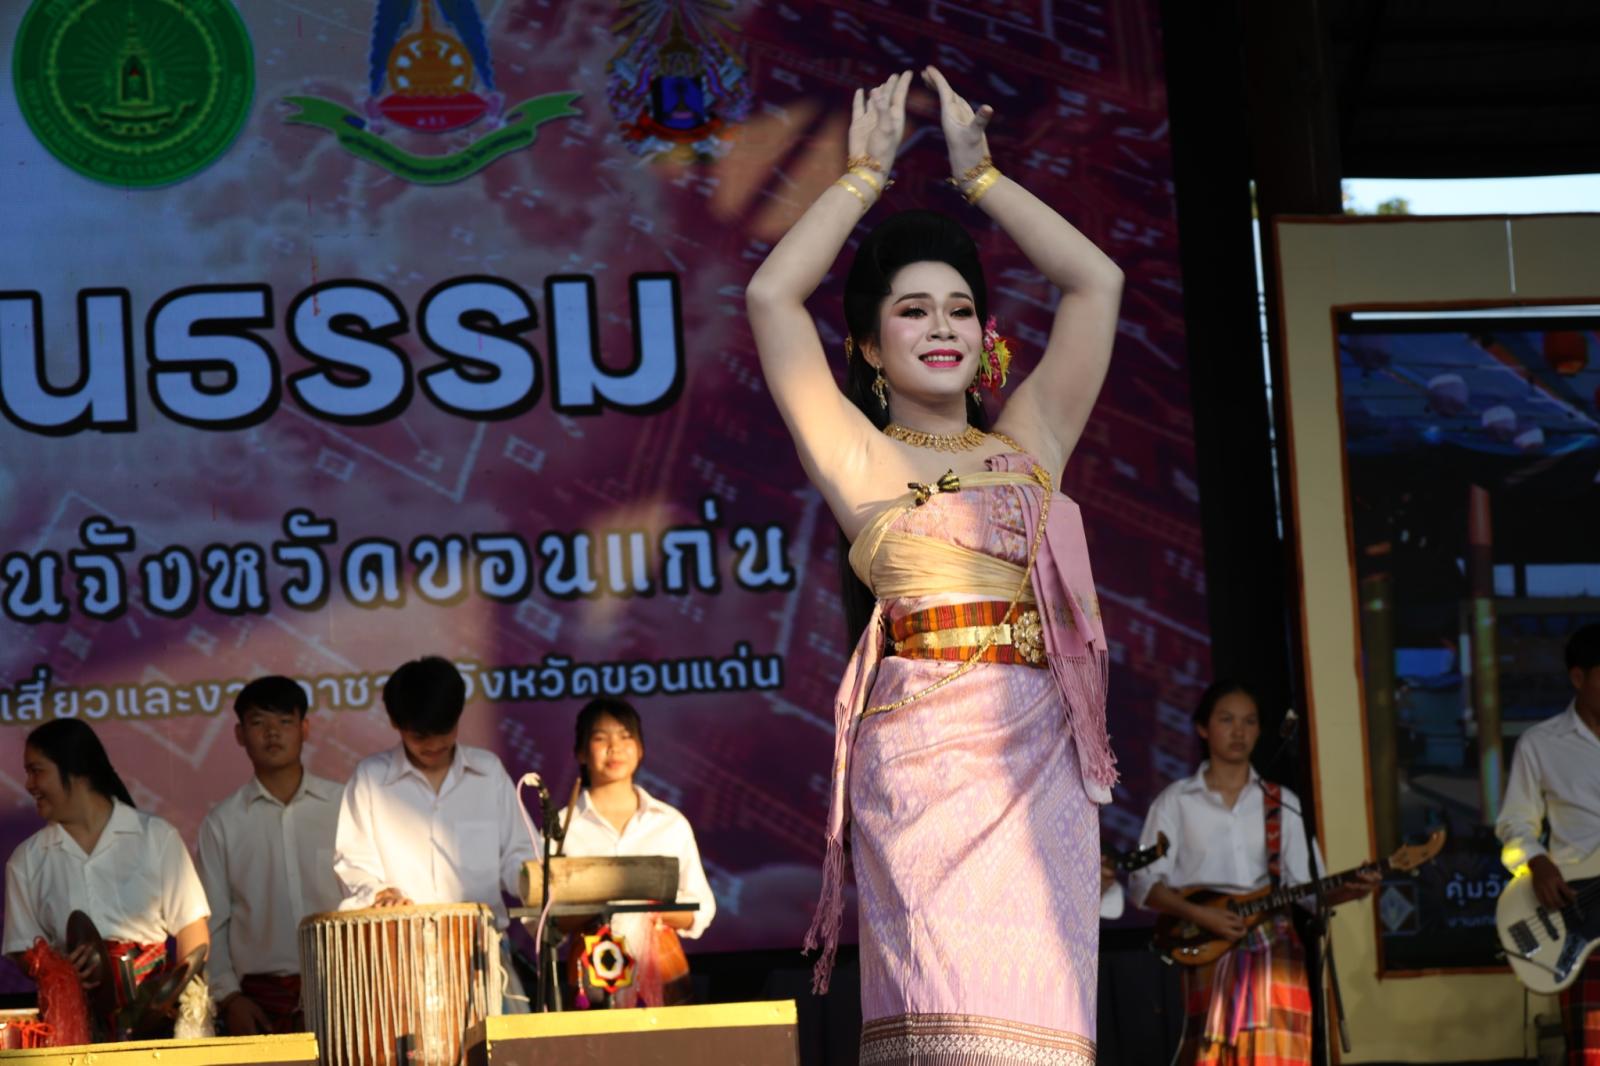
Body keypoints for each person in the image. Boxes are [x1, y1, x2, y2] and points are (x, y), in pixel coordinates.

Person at [746, 66, 1124, 1060]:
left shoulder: (1029, 439)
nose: (943, 328)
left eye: (959, 310)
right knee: (950, 1032)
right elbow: (772, 296)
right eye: (913, 312)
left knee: (1043, 1035)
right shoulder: (859, 457)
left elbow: (1098, 283)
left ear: (984, 337)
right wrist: (862, 177)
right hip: (921, 770)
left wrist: (981, 177)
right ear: (870, 348)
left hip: (1041, 760)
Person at [1130, 681, 1378, 1065]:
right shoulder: (1175, 802)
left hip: (1273, 945)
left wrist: (1352, 890)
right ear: (1202, 728)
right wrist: (1200, 914)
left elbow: (1307, 891)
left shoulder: (1281, 802)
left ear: (1260, 731)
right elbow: (1142, 883)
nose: (1239, 731)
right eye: (1227, 720)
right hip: (1205, 945)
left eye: (1249, 722)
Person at [333, 655, 537, 1011]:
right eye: (419, 736)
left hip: (483, 956)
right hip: (402, 959)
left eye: (445, 732)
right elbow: (352, 863)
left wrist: (533, 881)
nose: (434, 745)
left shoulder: (488, 772)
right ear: (396, 724)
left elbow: (518, 854)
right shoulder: (371, 778)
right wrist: (380, 893)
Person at [3, 719, 210, 1037]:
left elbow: (191, 928)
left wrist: (183, 1007)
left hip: (153, 1015)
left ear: (76, 769)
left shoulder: (155, 837)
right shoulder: (27, 860)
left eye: (37, 771)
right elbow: (23, 948)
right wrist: (59, 968)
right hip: (73, 1023)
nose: (29, 784)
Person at [197, 676, 343, 1035]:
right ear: (239, 734)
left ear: (305, 728)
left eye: (285, 721)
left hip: (344, 986)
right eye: (258, 722)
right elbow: (213, 921)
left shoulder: (344, 805)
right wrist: (229, 998)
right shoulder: (222, 823)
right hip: (259, 1002)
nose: (272, 733)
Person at [555, 698, 715, 1007]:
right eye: (601, 738)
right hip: (592, 986)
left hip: (661, 978)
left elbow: (702, 908)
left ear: (640, 749)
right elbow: (541, 920)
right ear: (581, 752)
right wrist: (595, 906)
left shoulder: (669, 823)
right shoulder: (562, 828)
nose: (614, 748)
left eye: (625, 737)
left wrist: (649, 908)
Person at [1497, 622, 1600, 1065]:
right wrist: (1537, 863)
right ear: (1578, 677)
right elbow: (1513, 825)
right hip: (1582, 917)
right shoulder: (1540, 744)